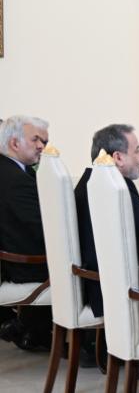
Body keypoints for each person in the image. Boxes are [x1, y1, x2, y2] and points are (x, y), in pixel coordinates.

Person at [75, 123, 139, 318]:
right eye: (137, 150)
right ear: (118, 157)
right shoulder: (114, 188)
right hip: (114, 292)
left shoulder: (91, 181)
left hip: (95, 284)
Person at [0, 115, 52, 351]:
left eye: (44, 141)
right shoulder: (15, 179)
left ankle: (32, 330)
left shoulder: (15, 171)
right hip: (24, 266)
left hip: (18, 257)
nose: (42, 146)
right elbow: (41, 229)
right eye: (36, 140)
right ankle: (93, 341)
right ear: (14, 143)